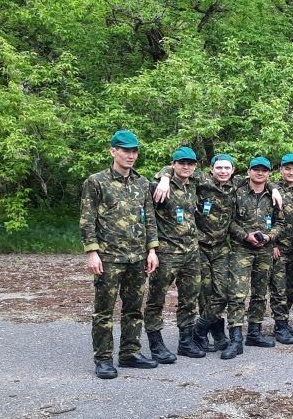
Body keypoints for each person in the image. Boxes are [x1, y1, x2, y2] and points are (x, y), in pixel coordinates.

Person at [154, 155, 282, 355]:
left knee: (223, 292)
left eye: (227, 168)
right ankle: (211, 335)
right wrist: (163, 179)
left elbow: (261, 178)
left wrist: (274, 187)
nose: (223, 171)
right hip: (200, 246)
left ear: (233, 171)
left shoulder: (237, 185)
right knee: (205, 292)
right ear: (211, 169)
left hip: (222, 247)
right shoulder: (202, 181)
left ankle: (201, 328)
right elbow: (175, 169)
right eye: (219, 168)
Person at [80, 130, 160, 379]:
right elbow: (87, 219)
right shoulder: (96, 181)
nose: (130, 155)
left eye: (134, 151)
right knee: (104, 311)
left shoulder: (142, 182)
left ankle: (129, 353)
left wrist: (152, 250)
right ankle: (103, 359)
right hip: (109, 258)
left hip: (137, 257)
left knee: (134, 309)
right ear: (113, 150)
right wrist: (92, 252)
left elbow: (149, 219)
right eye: (125, 150)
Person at [144, 146, 204, 364]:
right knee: (156, 300)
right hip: (167, 252)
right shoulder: (158, 186)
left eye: (190, 163)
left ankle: (185, 342)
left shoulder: (195, 184)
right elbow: (147, 218)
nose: (186, 167)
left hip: (191, 252)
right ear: (173, 164)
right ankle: (156, 344)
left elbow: (224, 177)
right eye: (181, 163)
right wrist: (164, 178)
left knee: (189, 299)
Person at [221, 156, 285, 358]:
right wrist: (245, 236)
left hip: (264, 250)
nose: (260, 173)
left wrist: (269, 236)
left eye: (264, 170)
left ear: (268, 173)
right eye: (256, 169)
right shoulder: (237, 191)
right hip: (241, 249)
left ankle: (254, 333)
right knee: (237, 294)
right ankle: (236, 338)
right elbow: (228, 221)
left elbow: (280, 223)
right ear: (249, 171)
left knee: (259, 293)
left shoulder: (274, 196)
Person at [269, 153, 293, 344]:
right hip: (278, 248)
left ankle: (285, 321)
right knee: (278, 289)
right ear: (281, 170)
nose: (291, 172)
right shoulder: (272, 188)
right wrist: (272, 244)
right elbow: (265, 218)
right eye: (287, 168)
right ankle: (280, 327)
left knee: (291, 288)